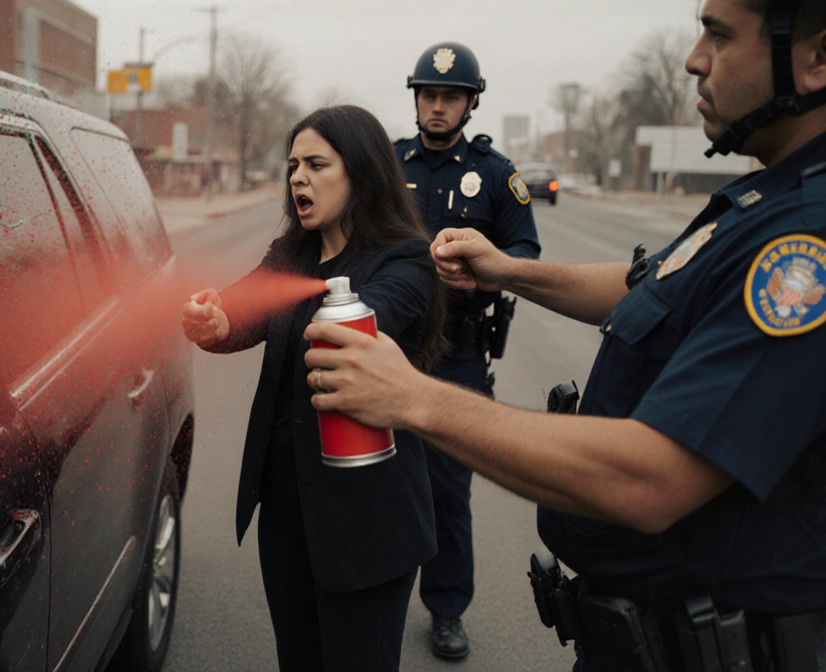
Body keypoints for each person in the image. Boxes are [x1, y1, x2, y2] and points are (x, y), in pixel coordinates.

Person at [306, 1, 826, 669]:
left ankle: (447, 607)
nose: (694, 59)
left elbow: (652, 479)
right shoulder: (762, 205)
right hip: (650, 634)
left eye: (719, 35)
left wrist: (416, 400)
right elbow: (652, 287)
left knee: (444, 496)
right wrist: (509, 270)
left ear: (816, 60)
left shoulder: (806, 244)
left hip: (716, 642)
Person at [180, 105, 448, 671]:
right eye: (293, 164)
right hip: (285, 514)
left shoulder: (404, 259)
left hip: (366, 527)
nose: (297, 176)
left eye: (316, 164)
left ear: (361, 172)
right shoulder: (291, 255)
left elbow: (362, 325)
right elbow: (244, 309)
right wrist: (217, 320)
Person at [394, 40, 542, 659]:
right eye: (428, 94)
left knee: (448, 489)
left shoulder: (496, 172)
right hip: (390, 345)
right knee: (376, 478)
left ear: (469, 103)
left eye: (449, 96)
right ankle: (371, 590)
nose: (436, 106)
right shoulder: (386, 165)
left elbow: (526, 254)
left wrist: (488, 274)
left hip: (457, 353)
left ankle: (447, 608)